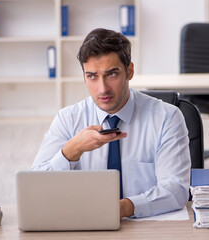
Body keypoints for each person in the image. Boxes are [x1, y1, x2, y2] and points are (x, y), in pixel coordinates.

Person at [31, 28, 191, 219]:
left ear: (129, 71)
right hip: (85, 225)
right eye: (92, 76)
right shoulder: (68, 119)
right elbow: (35, 187)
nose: (102, 88)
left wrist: (123, 208)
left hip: (146, 224)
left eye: (112, 74)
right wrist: (71, 151)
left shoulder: (167, 117)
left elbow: (177, 189)